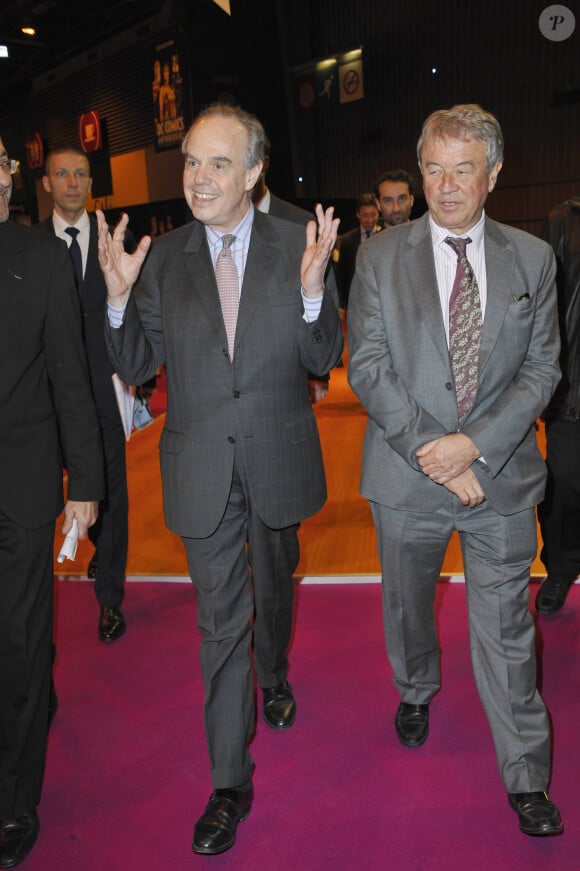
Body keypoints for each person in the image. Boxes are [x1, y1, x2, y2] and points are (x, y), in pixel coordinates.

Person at [97, 102, 343, 855]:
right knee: (217, 626)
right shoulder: (164, 258)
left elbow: (321, 352)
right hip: (200, 466)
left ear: (255, 171)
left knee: (275, 581)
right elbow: (138, 367)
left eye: (218, 164)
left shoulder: (296, 236)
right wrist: (116, 297)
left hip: (277, 451)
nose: (199, 180)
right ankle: (229, 782)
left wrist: (310, 291)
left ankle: (276, 671)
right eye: (191, 162)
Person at [347, 104, 563, 837]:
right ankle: (415, 687)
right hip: (408, 479)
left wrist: (473, 445)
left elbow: (542, 370)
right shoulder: (379, 256)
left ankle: (526, 773)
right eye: (432, 168)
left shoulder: (533, 258)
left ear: (493, 174)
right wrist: (432, 451)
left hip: (498, 477)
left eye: (462, 169)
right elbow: (369, 366)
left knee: (508, 628)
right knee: (408, 605)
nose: (444, 185)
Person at [0, 136, 103, 868]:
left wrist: (87, 485)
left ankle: (12, 799)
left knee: (18, 642)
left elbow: (72, 375)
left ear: (8, 178)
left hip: (22, 489)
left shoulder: (40, 260)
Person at [39, 147, 132, 643]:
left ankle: (110, 600)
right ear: (46, 184)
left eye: (80, 173)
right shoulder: (29, 249)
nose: (72, 181)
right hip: (46, 401)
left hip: (103, 390)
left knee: (112, 497)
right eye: (61, 173)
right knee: (51, 500)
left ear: (91, 181)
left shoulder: (114, 241)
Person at [251, 137, 332, 402]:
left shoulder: (301, 224)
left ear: (263, 165)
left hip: (291, 378)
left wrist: (317, 374)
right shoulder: (214, 228)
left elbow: (324, 297)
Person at [536, 195, 580, 613]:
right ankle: (561, 569)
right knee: (563, 485)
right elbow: (539, 303)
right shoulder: (563, 220)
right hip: (572, 386)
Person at [335, 192, 381, 311]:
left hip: (380, 301)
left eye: (373, 215)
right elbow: (341, 277)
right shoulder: (346, 240)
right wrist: (341, 304)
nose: (370, 220)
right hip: (355, 303)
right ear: (358, 215)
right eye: (365, 215)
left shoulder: (386, 235)